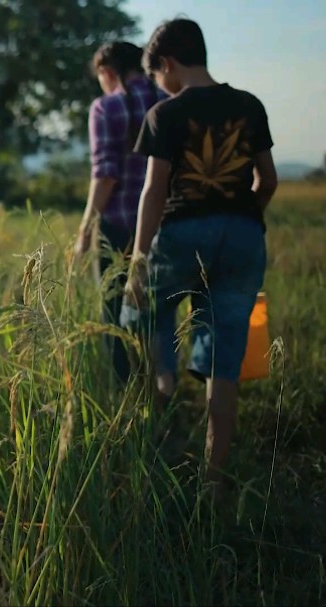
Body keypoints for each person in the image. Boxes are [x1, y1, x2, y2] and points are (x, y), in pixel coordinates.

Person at [121, 17, 277, 494]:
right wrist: (241, 219)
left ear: (166, 64)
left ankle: (159, 405)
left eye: (156, 77)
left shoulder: (165, 115)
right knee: (224, 358)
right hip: (244, 235)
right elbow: (267, 181)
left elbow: (154, 191)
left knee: (139, 315)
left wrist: (137, 258)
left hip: (181, 232)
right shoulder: (250, 105)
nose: (158, 86)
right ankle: (214, 479)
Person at [75, 41, 167, 384]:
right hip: (164, 226)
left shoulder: (106, 108)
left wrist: (85, 231)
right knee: (158, 311)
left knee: (115, 313)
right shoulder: (167, 101)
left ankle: (126, 391)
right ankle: (161, 387)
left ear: (107, 72)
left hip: (117, 227)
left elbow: (106, 175)